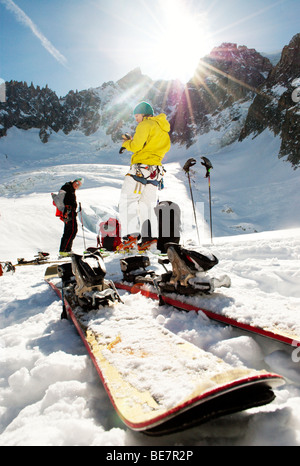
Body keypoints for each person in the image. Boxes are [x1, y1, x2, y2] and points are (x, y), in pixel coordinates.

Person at [118, 101, 171, 251]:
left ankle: (130, 239)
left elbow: (136, 146)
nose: (136, 119)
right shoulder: (162, 128)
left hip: (141, 168)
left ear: (144, 114)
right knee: (146, 205)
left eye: (137, 115)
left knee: (128, 201)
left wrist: (127, 143)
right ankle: (149, 240)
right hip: (155, 171)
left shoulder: (144, 125)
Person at [56, 178, 83, 256]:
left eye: (79, 185)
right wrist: (66, 211)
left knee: (68, 231)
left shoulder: (70, 188)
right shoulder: (67, 187)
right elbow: (62, 199)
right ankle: (65, 250)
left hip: (69, 212)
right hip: (69, 212)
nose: (77, 185)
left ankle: (64, 250)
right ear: (74, 181)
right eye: (77, 183)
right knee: (72, 230)